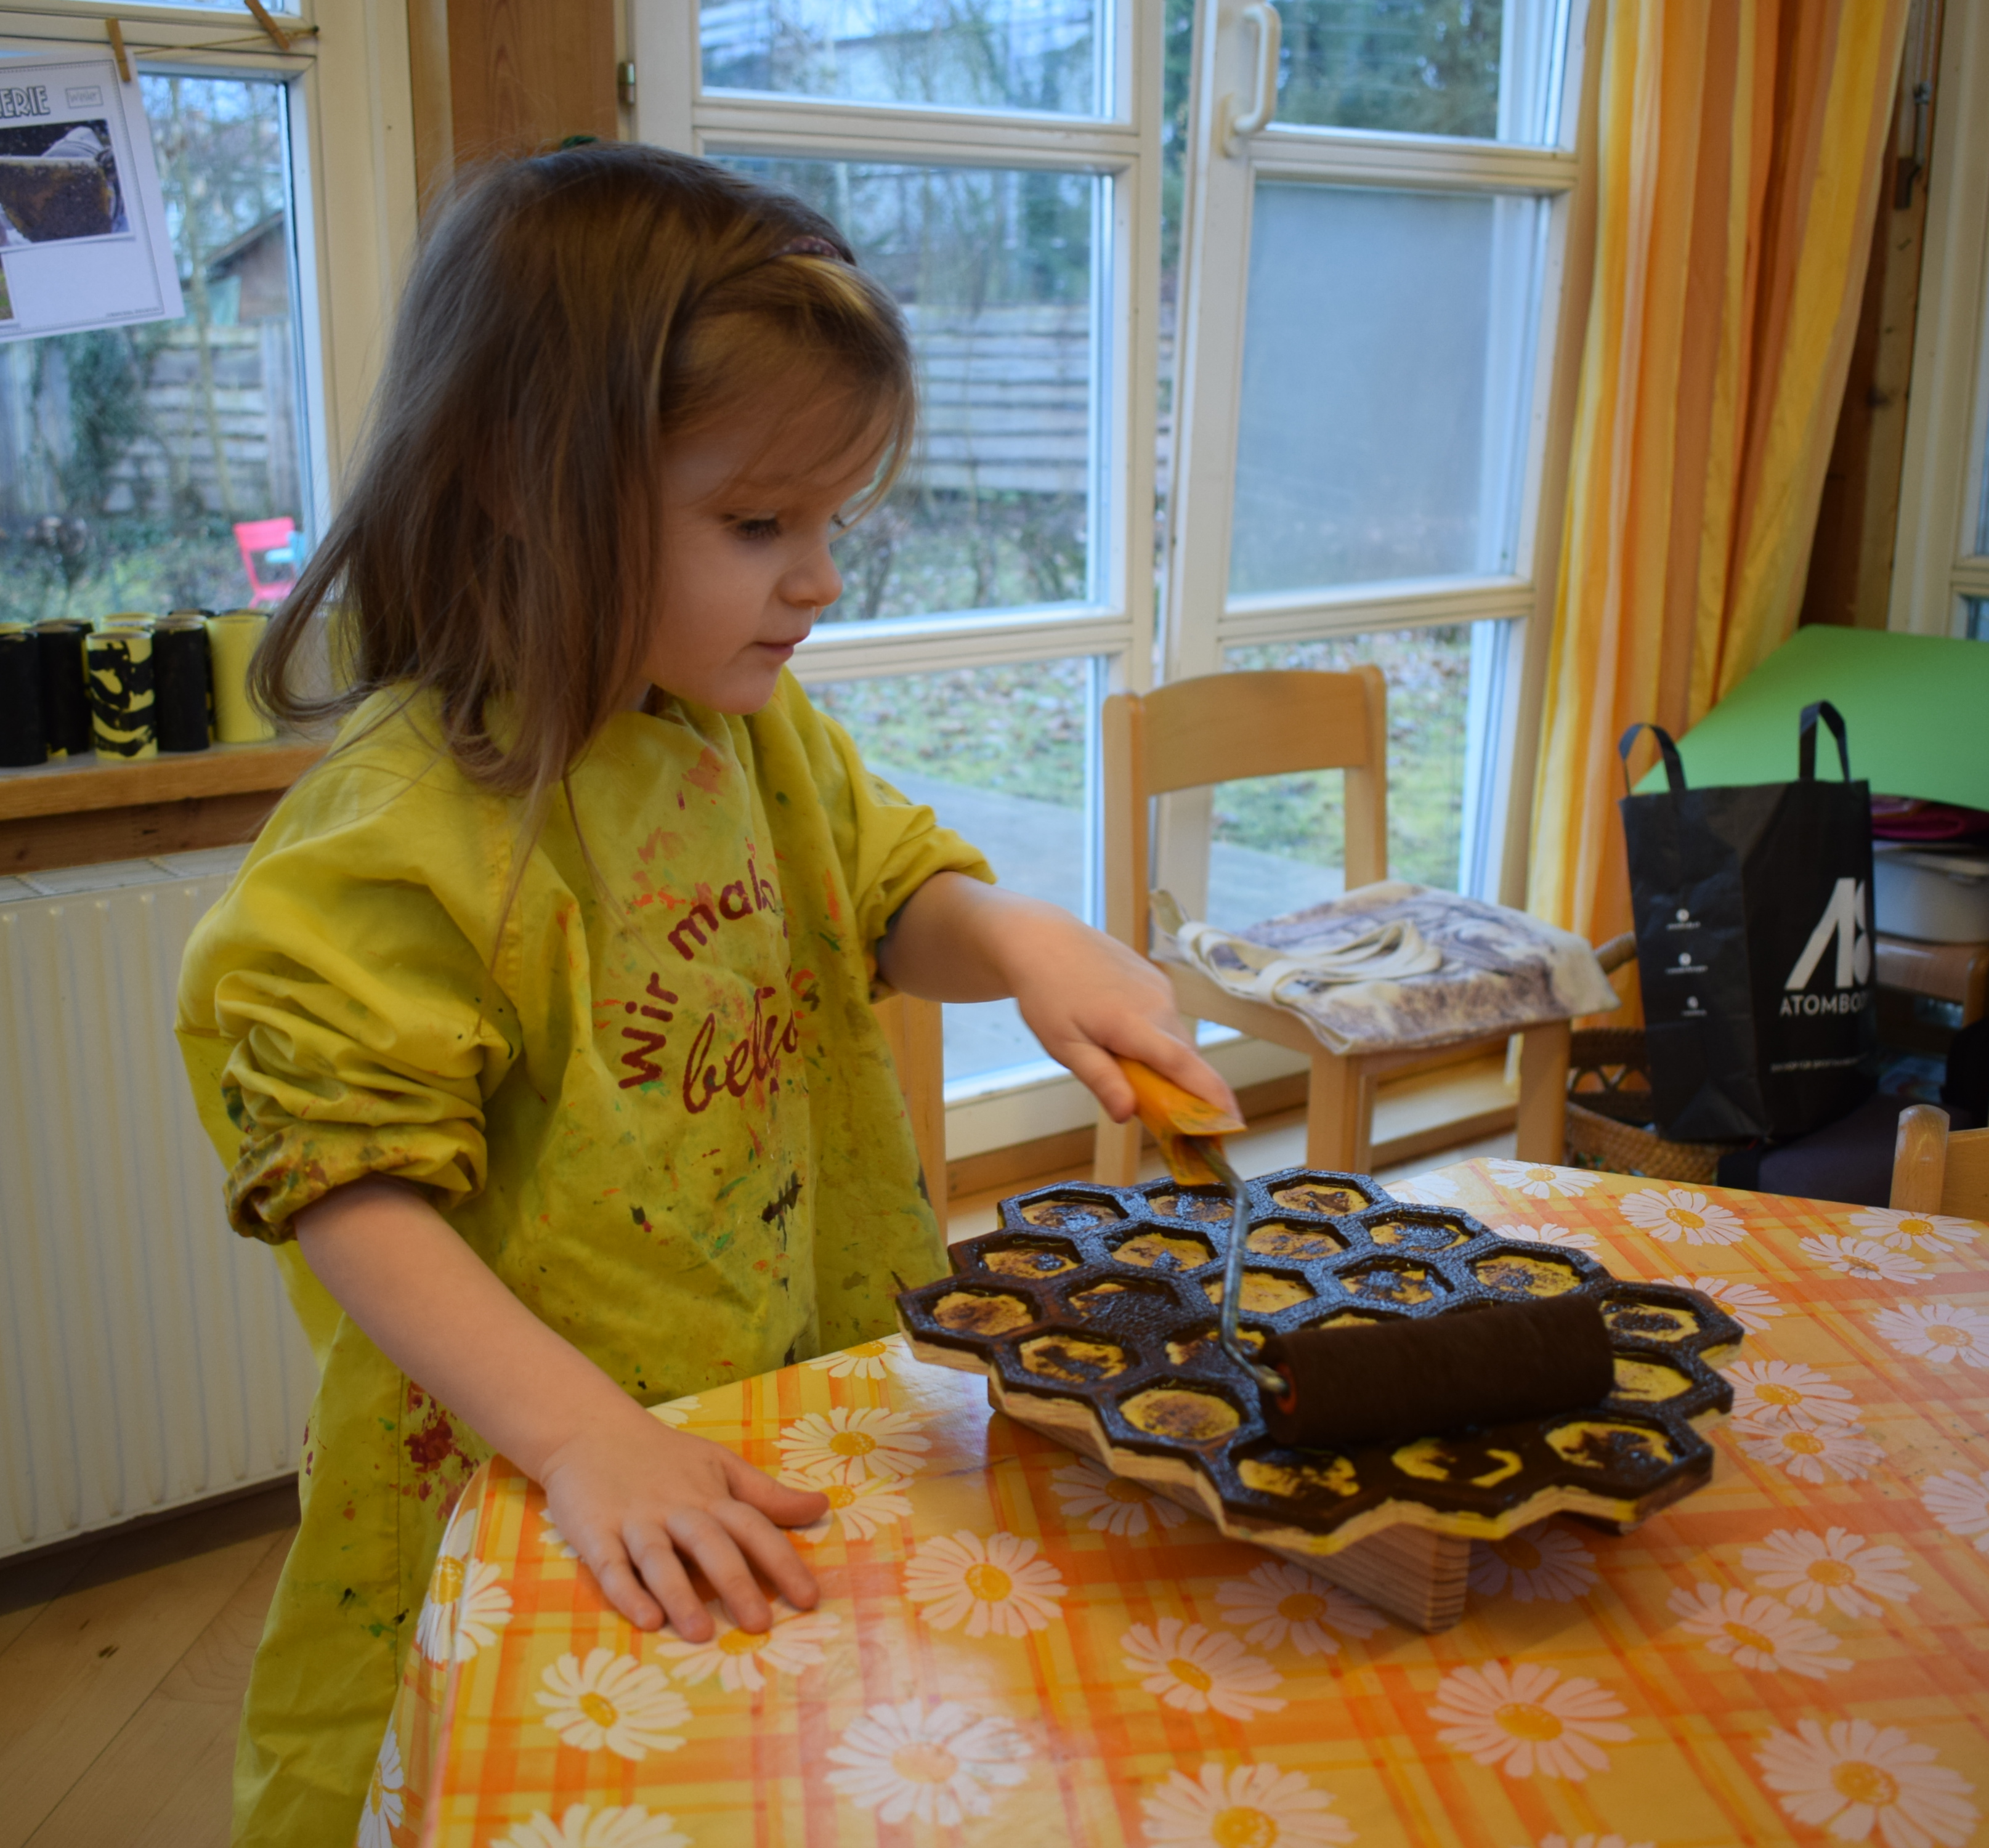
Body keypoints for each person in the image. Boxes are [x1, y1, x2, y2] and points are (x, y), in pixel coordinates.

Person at [173, 143, 1231, 1848]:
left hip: (765, 1403)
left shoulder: (752, 726)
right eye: (758, 525)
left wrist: (1021, 940)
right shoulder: (408, 831)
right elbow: (345, 1187)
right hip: (535, 1464)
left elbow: (889, 891)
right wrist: (583, 1439)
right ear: (530, 484)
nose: (819, 578)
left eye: (830, 523)